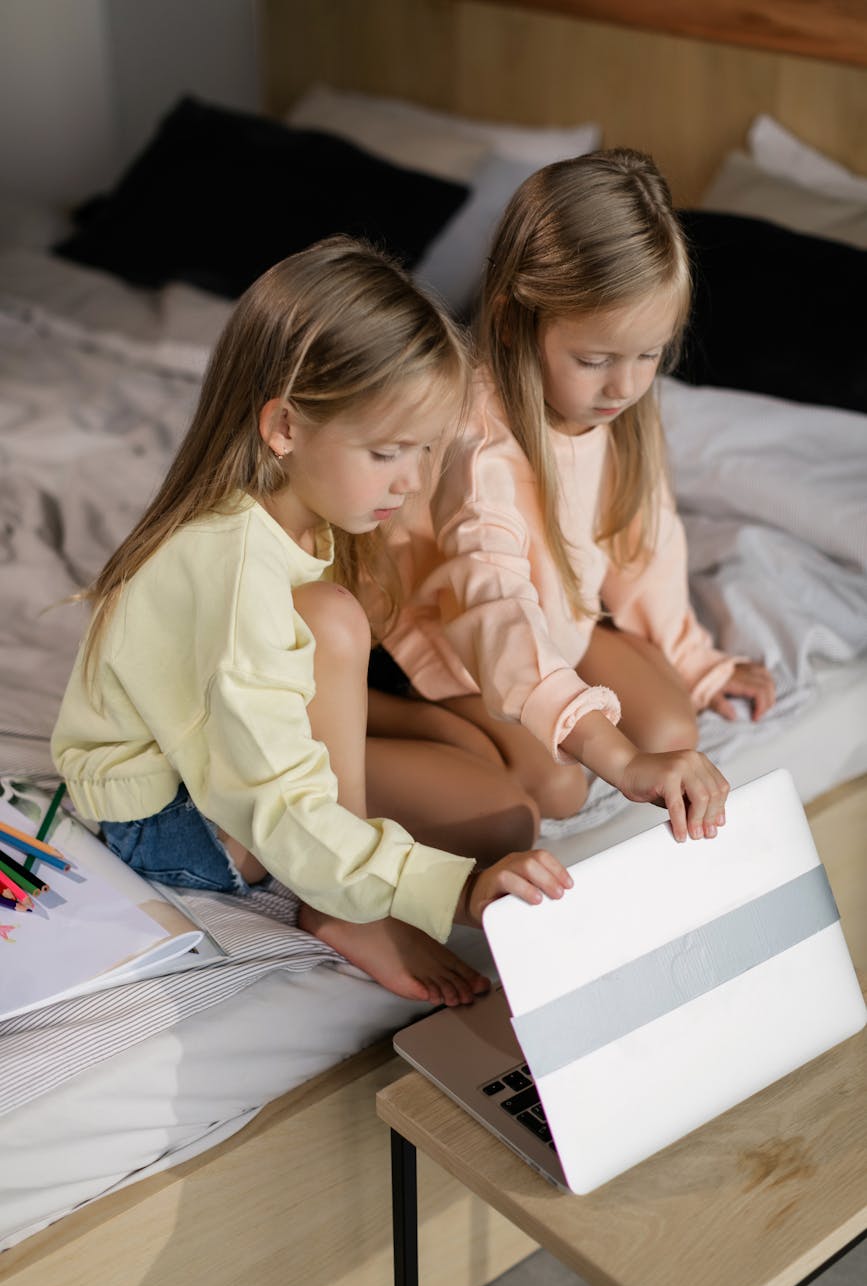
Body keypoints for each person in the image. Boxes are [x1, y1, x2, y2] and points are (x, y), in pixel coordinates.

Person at [51, 237, 574, 1010]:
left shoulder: (296, 508)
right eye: (390, 451)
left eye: (427, 450)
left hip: (216, 742)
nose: (413, 481)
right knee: (503, 826)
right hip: (175, 818)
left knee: (496, 774)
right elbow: (280, 809)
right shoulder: (230, 568)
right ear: (285, 428)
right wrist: (452, 892)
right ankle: (341, 912)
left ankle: (365, 866)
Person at [368, 149, 775, 838]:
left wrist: (694, 659)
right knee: (554, 786)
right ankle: (375, 711)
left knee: (674, 727)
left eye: (649, 355)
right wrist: (603, 748)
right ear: (510, 320)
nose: (624, 385)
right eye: (594, 360)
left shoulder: (614, 413)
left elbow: (641, 545)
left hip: (559, 617)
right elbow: (492, 604)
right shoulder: (476, 444)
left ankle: (588, 693)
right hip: (462, 639)